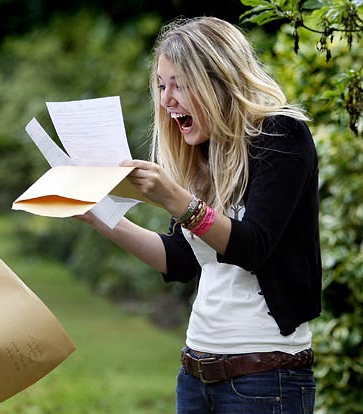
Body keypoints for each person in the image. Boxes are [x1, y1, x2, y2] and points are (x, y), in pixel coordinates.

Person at [77, 17, 321, 414]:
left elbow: (253, 246)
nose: (166, 100)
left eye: (179, 84)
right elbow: (179, 260)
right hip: (194, 376)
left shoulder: (282, 136)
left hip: (264, 379)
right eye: (161, 85)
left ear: (218, 79)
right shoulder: (204, 154)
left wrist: (177, 200)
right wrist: (98, 216)